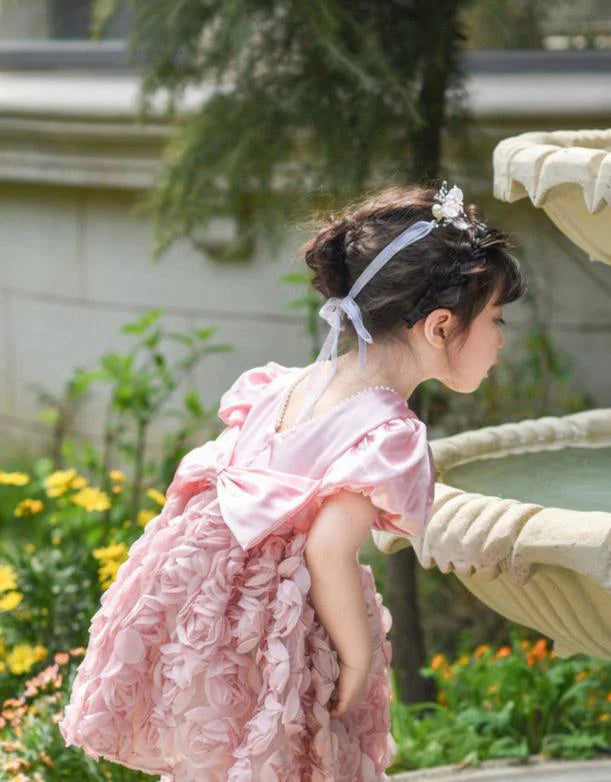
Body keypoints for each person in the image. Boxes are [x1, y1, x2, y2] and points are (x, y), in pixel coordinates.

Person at [59, 182, 526, 781]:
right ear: (439, 327)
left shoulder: (288, 383)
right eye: (495, 318)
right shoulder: (388, 431)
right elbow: (327, 549)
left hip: (204, 602)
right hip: (281, 621)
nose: (502, 339)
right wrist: (357, 655)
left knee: (225, 757)